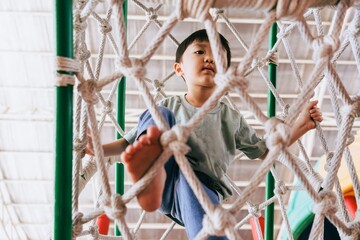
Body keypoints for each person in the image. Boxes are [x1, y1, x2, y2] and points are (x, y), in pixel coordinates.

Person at [86, 29, 323, 239]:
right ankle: (152, 175)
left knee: (211, 225)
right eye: (200, 52)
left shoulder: (231, 118)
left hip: (203, 187)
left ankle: (153, 183)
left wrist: (301, 126)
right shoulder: (171, 104)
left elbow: (265, 151)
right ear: (179, 69)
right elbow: (125, 144)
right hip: (168, 171)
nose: (209, 57)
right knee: (160, 113)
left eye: (218, 55)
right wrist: (95, 147)